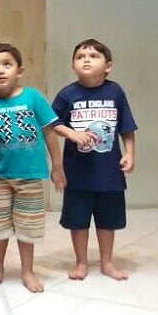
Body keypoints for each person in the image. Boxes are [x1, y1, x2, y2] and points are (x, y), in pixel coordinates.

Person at [0, 43, 64, 293]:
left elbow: (50, 132)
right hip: (1, 177)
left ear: (20, 70)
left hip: (30, 176)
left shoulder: (33, 97)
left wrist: (57, 166)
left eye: (7, 64)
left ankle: (28, 271)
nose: (0, 70)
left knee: (28, 227)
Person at [51, 39, 137, 281]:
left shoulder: (115, 92)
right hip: (77, 171)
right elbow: (51, 122)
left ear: (108, 66)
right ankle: (81, 262)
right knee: (78, 220)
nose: (86, 60)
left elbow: (127, 127)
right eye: (80, 57)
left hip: (109, 171)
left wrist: (130, 153)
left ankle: (107, 262)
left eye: (93, 56)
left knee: (108, 220)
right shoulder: (68, 94)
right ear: (73, 65)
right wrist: (71, 134)